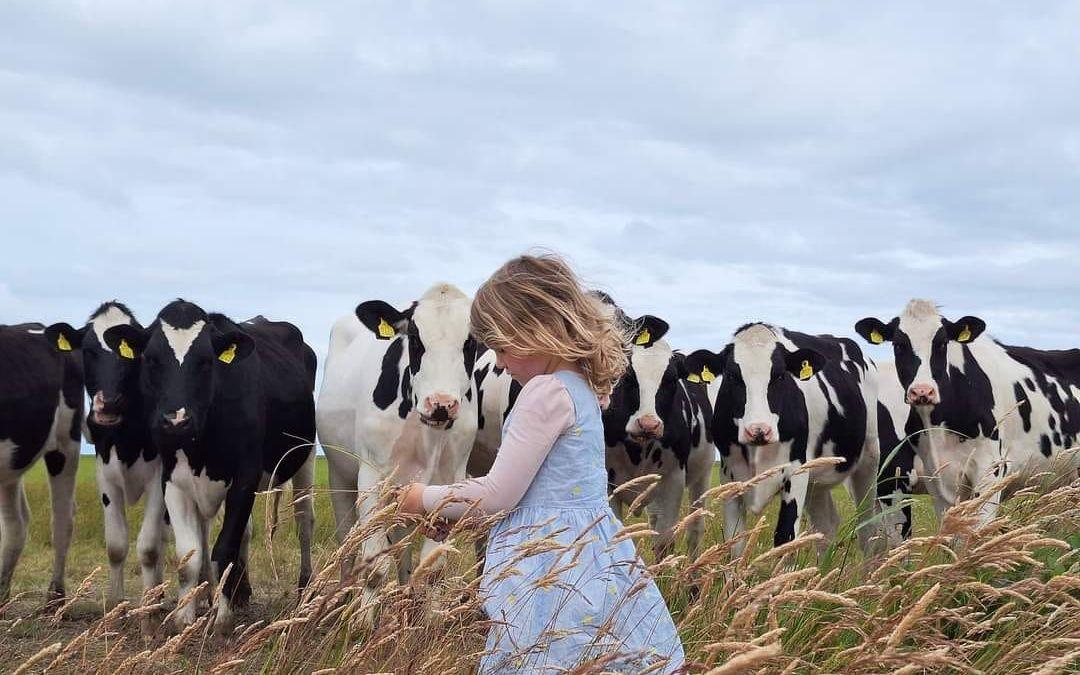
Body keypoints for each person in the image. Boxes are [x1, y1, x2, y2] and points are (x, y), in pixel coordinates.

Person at [396, 253, 686, 673]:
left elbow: (497, 495)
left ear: (534, 329)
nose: (497, 362)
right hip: (590, 555)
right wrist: (456, 513)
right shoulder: (583, 388)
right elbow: (535, 491)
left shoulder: (543, 393)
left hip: (547, 568)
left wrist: (422, 497)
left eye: (501, 345)